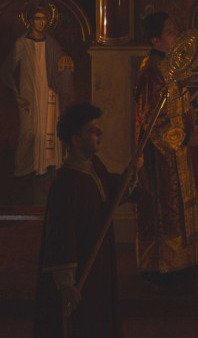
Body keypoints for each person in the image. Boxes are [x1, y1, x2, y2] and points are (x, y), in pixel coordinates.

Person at [34, 103, 142, 338]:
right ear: (75, 140)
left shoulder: (95, 166)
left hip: (98, 263)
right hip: (81, 269)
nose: (100, 133)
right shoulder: (66, 182)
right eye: (92, 130)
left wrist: (130, 172)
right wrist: (66, 284)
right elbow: (61, 234)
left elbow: (112, 194)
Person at [134, 12, 198, 294]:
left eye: (176, 30)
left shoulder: (171, 64)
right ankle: (165, 266)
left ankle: (187, 261)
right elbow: (151, 120)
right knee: (167, 207)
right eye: (169, 32)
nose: (175, 35)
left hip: (181, 153)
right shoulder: (152, 72)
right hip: (162, 157)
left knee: (184, 204)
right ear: (155, 40)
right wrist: (186, 139)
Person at [1, 1, 75, 179]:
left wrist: (65, 68)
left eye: (43, 19)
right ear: (30, 21)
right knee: (28, 133)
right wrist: (17, 96)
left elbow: (60, 68)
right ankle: (24, 169)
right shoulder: (22, 43)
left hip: (50, 93)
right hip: (29, 95)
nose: (40, 22)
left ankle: (46, 165)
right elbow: (6, 70)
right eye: (37, 19)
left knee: (49, 130)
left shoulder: (52, 44)